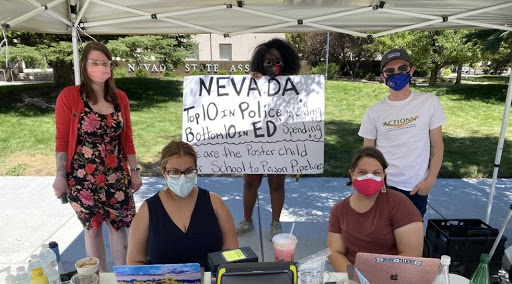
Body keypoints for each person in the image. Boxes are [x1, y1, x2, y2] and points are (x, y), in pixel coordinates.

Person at [52, 41, 142, 272]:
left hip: (116, 175)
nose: (100, 67)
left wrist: (135, 171)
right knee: (92, 229)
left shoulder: (119, 98)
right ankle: (100, 277)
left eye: (105, 63)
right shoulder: (70, 96)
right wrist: (60, 176)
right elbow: (62, 139)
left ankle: (121, 275)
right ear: (84, 65)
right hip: (83, 177)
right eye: (94, 62)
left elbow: (128, 137)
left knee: (118, 226)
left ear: (111, 66)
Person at [358, 48, 446, 217]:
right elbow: (368, 153)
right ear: (383, 77)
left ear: (411, 70)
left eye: (402, 69)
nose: (397, 73)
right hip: (384, 187)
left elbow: (437, 146)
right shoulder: (374, 111)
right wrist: (375, 182)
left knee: (410, 241)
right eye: (390, 71)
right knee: (382, 238)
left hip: (416, 188)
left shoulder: (429, 102)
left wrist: (430, 180)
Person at [127, 141, 239, 268]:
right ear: (164, 172)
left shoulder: (215, 203)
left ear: (196, 170)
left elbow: (231, 251)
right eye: (174, 172)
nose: (182, 177)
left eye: (189, 171)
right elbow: (135, 261)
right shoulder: (147, 210)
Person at [235, 38, 301, 241]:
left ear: (286, 62)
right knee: (249, 183)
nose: (273, 66)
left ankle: (276, 222)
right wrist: (252, 82)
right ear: (259, 63)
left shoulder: (294, 85)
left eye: (277, 61)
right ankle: (247, 220)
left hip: (280, 140)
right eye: (268, 62)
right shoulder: (253, 83)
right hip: (254, 140)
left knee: (276, 184)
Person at [327, 147, 423, 272]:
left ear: (383, 176)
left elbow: (411, 254)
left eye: (376, 173)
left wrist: (374, 277)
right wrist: (355, 277)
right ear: (352, 175)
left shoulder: (399, 204)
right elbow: (335, 252)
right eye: (362, 172)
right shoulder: (339, 209)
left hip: (391, 276)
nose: (369, 177)